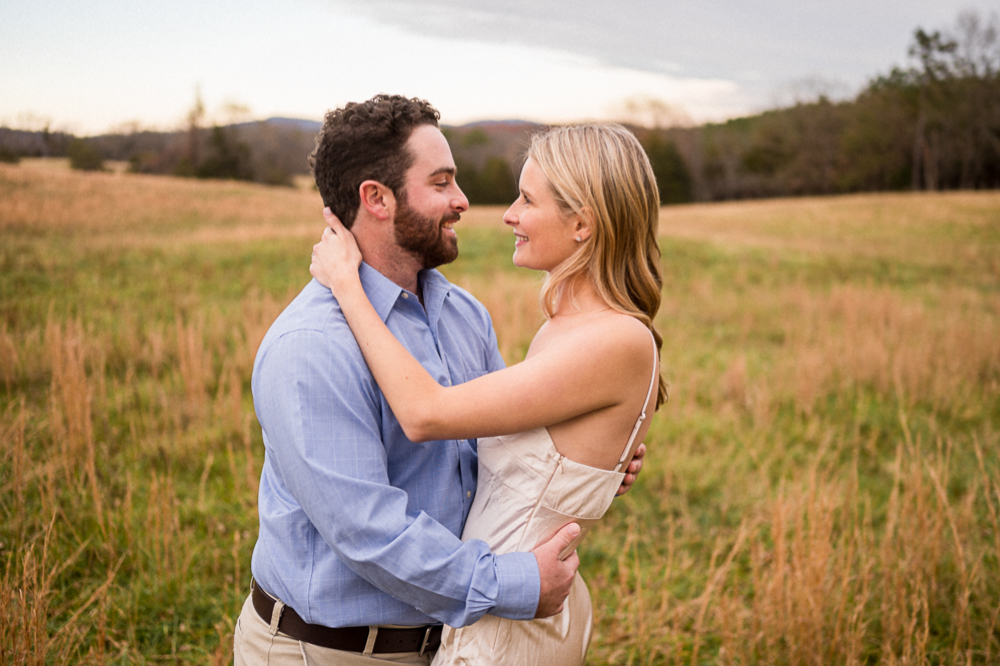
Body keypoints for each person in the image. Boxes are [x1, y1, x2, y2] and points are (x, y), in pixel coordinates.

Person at [235, 95, 645, 666]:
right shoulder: (310, 347)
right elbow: (367, 533)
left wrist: (579, 458)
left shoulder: (463, 315)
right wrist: (513, 584)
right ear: (376, 199)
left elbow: (498, 445)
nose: (464, 201)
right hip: (331, 652)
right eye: (442, 182)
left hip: (452, 641)